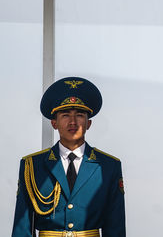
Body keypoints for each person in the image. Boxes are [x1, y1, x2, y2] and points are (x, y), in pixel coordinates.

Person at [12, 77, 125, 237]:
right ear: (54, 123)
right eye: (65, 115)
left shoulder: (109, 166)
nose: (73, 122)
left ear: (88, 123)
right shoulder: (32, 165)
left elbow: (116, 227)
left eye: (79, 115)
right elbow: (22, 228)